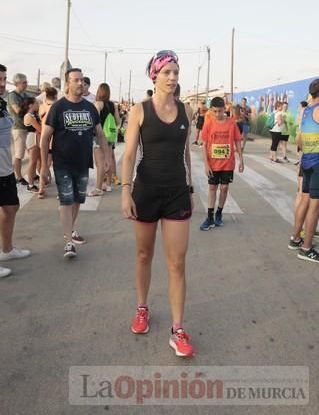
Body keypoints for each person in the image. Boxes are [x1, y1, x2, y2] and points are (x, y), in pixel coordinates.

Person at [121, 50, 194, 357]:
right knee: (143, 254)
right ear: (154, 75)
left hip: (177, 191)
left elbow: (187, 152)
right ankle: (142, 307)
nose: (173, 78)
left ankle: (178, 329)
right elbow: (128, 155)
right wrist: (126, 191)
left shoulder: (186, 110)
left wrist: (191, 186)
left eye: (176, 72)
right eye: (167, 73)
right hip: (146, 191)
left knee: (177, 263)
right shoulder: (140, 110)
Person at [40, 68, 107, 258]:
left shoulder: (89, 107)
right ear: (67, 83)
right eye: (75, 80)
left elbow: (100, 134)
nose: (79, 83)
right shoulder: (58, 107)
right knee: (66, 200)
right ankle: (68, 242)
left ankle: (69, 230)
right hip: (63, 163)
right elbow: (45, 138)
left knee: (78, 200)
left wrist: (107, 158)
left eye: (81, 80)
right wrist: (45, 165)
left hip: (83, 162)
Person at [0, 64, 31, 275]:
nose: (2, 84)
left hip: (5, 167)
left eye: (4, 79)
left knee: (11, 207)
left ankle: (7, 249)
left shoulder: (2, 103)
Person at [200, 96, 244, 230]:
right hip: (213, 164)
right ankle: (209, 217)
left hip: (227, 163)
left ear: (225, 109)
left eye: (220, 111)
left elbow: (237, 141)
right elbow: (204, 145)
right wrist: (206, 164)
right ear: (211, 111)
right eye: (215, 111)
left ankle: (219, 213)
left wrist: (241, 159)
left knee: (224, 188)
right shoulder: (208, 123)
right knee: (212, 188)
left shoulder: (232, 123)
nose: (218, 114)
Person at [288, 79, 319, 262]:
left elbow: (298, 140)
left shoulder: (305, 110)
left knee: (304, 201)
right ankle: (306, 248)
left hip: (306, 162)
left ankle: (295, 238)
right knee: (315, 207)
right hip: (317, 163)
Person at [87, 83, 112, 196]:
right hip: (110, 135)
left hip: (99, 136)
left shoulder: (98, 104)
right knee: (108, 159)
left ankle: (98, 188)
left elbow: (94, 120)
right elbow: (116, 119)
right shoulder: (112, 105)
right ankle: (108, 184)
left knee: (100, 162)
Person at [7, 73, 29, 185]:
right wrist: (30, 108)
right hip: (19, 128)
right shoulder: (13, 95)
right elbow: (18, 111)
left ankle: (31, 174)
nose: (27, 84)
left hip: (27, 128)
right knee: (19, 154)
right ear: (17, 83)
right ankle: (19, 176)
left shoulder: (25, 95)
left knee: (30, 153)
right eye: (24, 82)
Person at [38, 87, 58, 198]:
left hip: (43, 139)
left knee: (44, 165)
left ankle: (41, 188)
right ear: (55, 95)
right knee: (58, 164)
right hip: (55, 139)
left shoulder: (42, 106)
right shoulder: (57, 106)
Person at [22, 98, 41, 193]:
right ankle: (30, 185)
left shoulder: (35, 114)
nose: (38, 104)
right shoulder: (29, 116)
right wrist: (40, 129)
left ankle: (34, 179)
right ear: (30, 105)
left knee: (36, 161)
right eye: (36, 103)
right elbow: (40, 128)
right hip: (32, 139)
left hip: (35, 138)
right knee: (32, 162)